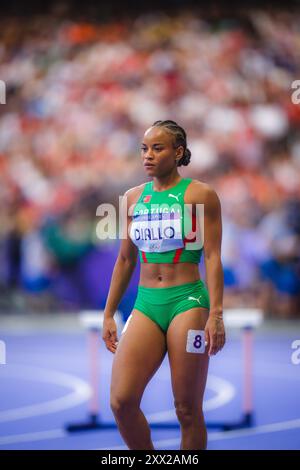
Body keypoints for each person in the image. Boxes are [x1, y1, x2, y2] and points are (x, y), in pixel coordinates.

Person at [102, 119, 225, 450]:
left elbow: (212, 257)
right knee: (121, 402)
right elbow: (125, 260)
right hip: (145, 305)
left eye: (158, 148)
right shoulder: (130, 199)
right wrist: (109, 312)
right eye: (144, 148)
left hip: (188, 303)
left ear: (178, 152)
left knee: (187, 410)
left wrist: (216, 313)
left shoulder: (200, 195)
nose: (148, 155)